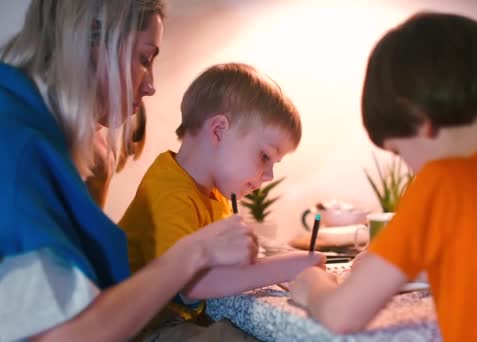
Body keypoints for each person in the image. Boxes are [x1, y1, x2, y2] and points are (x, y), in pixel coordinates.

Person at [0, 1, 258, 341]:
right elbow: (65, 336)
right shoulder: (12, 157)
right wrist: (195, 251)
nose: (151, 85)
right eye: (144, 59)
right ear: (92, 40)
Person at [289, 12, 477, 342]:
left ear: (419, 118)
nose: (409, 169)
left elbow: (341, 314)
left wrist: (312, 286)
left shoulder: (444, 182)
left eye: (399, 153)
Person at [118, 63, 324, 327]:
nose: (269, 175)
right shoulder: (171, 191)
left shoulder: (214, 193)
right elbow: (191, 283)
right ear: (218, 131)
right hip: (146, 329)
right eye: (265, 156)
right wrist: (289, 267)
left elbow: (224, 269)